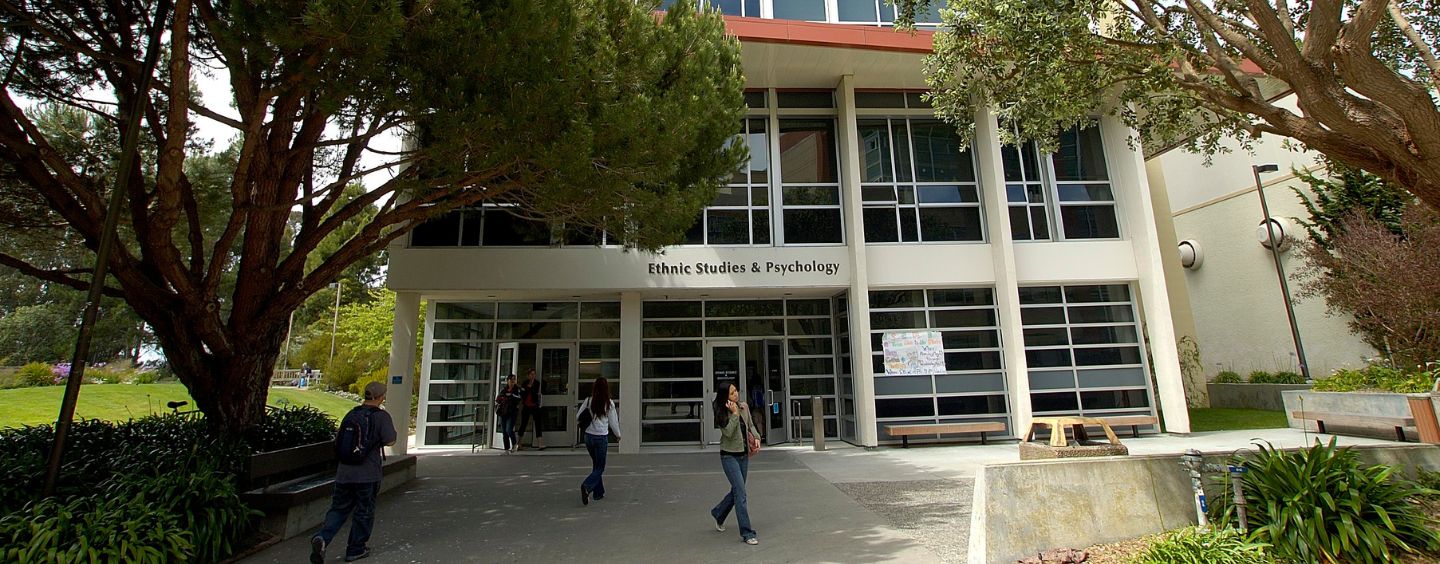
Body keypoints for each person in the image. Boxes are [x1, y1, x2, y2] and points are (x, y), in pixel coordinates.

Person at [311, 381, 398, 563]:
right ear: (381, 396)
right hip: (367, 473)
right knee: (364, 511)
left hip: (344, 473)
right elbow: (390, 441)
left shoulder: (352, 414)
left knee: (338, 509)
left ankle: (323, 537)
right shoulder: (381, 416)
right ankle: (356, 549)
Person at [710, 383, 761, 545]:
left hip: (743, 455)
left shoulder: (744, 407)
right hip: (729, 456)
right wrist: (733, 413)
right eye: (732, 393)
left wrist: (757, 437)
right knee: (741, 494)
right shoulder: (720, 412)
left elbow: (750, 425)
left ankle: (718, 513)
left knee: (738, 491)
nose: (736, 395)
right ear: (725, 397)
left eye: (736, 391)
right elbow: (728, 433)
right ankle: (747, 533)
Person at [577, 377, 619, 505]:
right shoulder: (609, 403)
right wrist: (618, 435)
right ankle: (587, 486)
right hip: (601, 437)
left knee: (596, 464)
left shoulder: (588, 401)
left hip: (588, 436)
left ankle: (598, 493)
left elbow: (579, 416)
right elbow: (613, 422)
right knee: (600, 467)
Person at [515, 368, 544, 450]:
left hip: (534, 406)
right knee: (523, 424)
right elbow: (523, 393)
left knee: (538, 424)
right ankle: (519, 443)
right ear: (528, 375)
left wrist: (528, 388)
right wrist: (527, 388)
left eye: (534, 374)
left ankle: (540, 443)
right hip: (526, 406)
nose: (532, 376)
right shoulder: (525, 383)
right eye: (531, 374)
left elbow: (535, 392)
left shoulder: (537, 383)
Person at [495, 374, 521, 453]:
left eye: (514, 380)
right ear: (508, 381)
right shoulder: (504, 389)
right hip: (503, 412)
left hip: (512, 412)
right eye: (511, 380)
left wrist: (512, 395)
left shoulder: (517, 389)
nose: (512, 382)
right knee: (504, 431)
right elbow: (498, 399)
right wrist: (503, 397)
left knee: (509, 429)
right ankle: (506, 448)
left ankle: (514, 443)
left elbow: (519, 398)